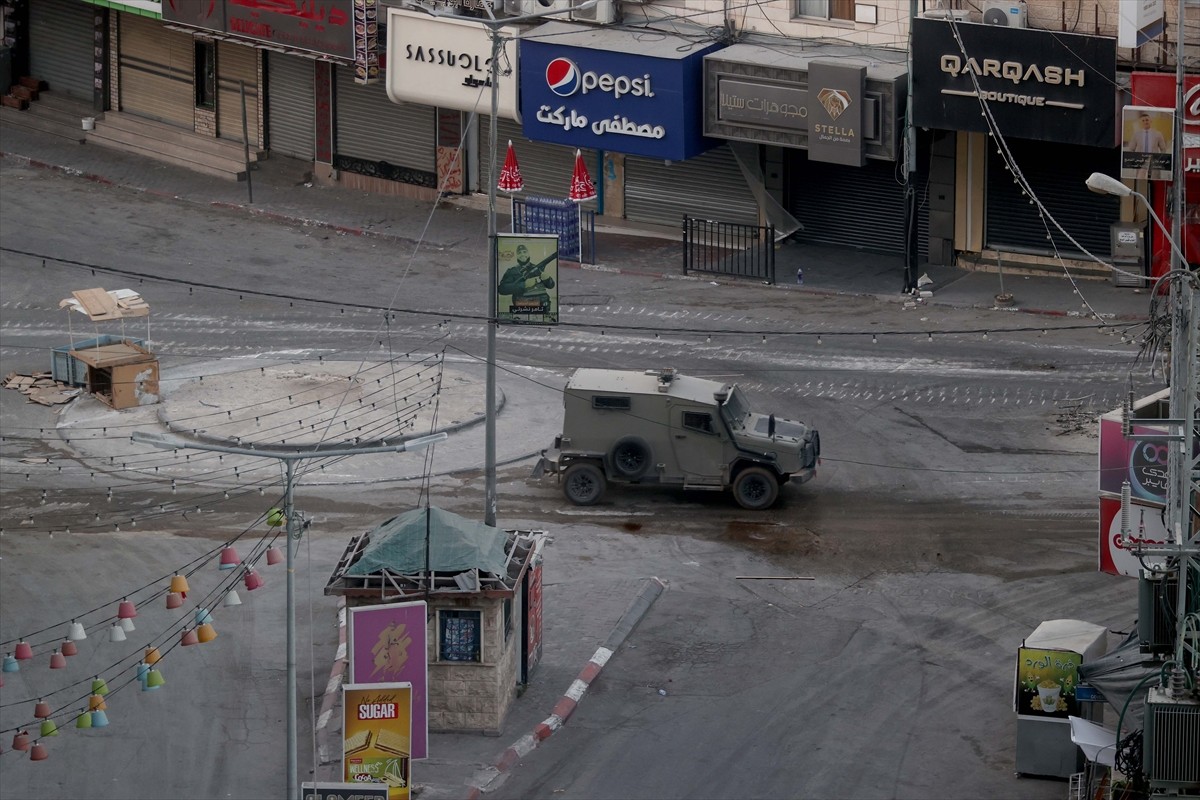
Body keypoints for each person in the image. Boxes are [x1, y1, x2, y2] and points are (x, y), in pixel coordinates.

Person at [498, 243, 556, 316]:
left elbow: (551, 286)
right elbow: (502, 289)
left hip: (542, 306)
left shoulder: (537, 268)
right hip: (522, 306)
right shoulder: (512, 271)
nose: (522, 254)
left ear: (528, 254)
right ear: (517, 255)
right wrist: (524, 285)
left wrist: (547, 279)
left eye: (524, 252)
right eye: (519, 253)